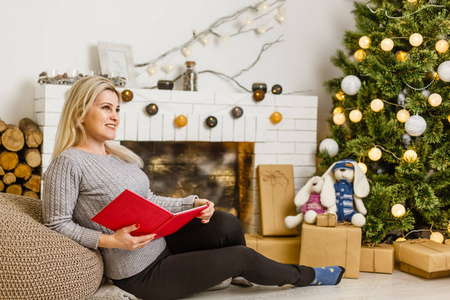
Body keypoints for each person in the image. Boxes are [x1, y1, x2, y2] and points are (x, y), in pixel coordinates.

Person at [42, 76, 345, 300]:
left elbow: (148, 200)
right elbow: (55, 223)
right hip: (139, 273)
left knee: (225, 222)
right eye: (106, 108)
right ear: (80, 113)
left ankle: (237, 276)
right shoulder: (68, 162)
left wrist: (192, 204)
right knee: (241, 255)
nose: (114, 116)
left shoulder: (118, 154)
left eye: (117, 109)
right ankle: (307, 275)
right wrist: (112, 242)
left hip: (163, 244)